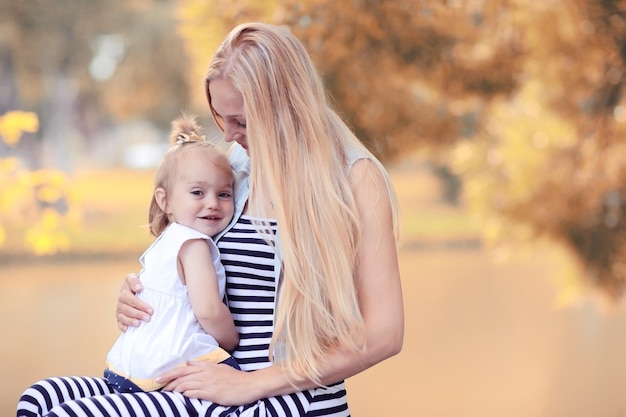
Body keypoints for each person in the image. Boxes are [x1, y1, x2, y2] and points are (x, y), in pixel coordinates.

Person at [17, 22, 404, 417]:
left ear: (286, 107)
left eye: (242, 121)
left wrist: (250, 384)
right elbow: (192, 262)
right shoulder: (235, 167)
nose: (230, 134)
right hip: (208, 376)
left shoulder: (354, 179)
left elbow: (385, 335)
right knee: (40, 399)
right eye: (221, 118)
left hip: (283, 397)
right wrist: (143, 296)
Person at [17, 114, 239, 412]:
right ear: (165, 201)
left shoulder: (166, 242)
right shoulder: (194, 245)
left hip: (130, 372)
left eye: (224, 194)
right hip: (173, 371)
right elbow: (210, 310)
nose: (212, 203)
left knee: (42, 400)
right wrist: (230, 340)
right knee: (42, 398)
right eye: (198, 192)